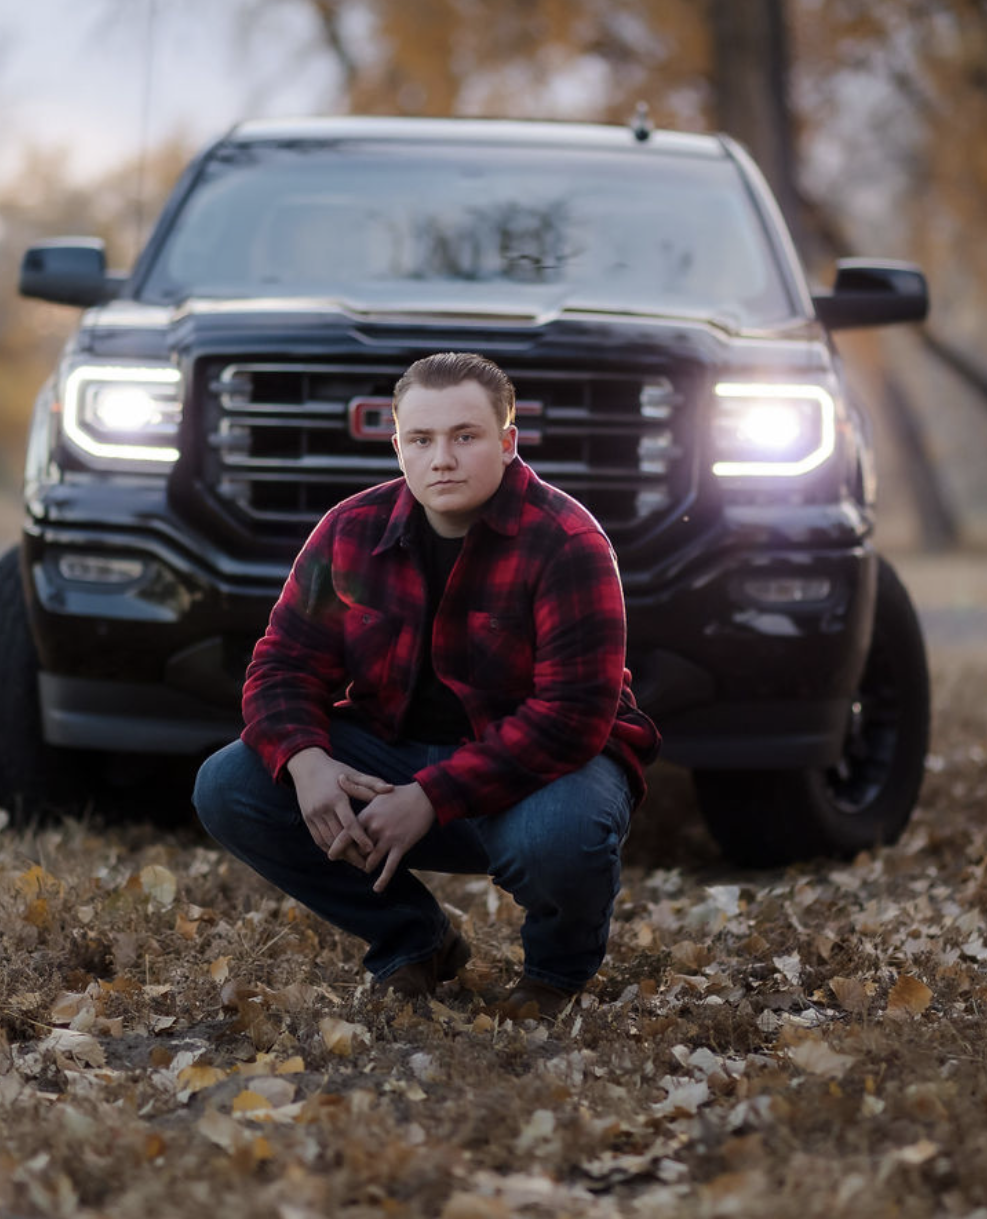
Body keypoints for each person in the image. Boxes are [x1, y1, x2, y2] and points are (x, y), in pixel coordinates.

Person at [193, 352, 660, 1018]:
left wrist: (432, 797)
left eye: (465, 437)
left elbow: (572, 716)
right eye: (421, 440)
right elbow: (282, 666)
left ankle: (553, 977)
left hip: (541, 774)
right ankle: (416, 942)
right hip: (395, 755)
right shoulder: (350, 530)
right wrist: (307, 760)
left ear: (507, 442)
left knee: (559, 836)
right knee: (230, 784)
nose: (442, 459)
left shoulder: (567, 539)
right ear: (398, 447)